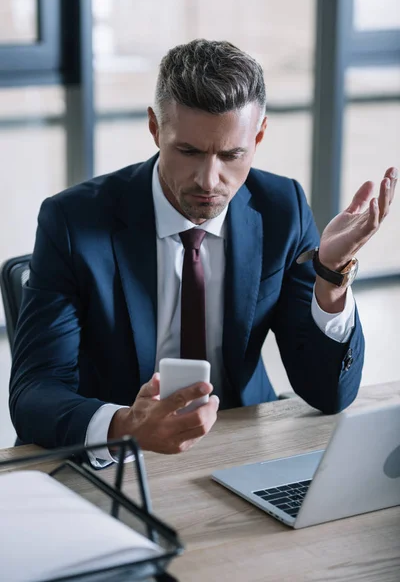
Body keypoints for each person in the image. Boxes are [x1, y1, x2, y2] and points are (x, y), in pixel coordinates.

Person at [9, 40, 397, 467]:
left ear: (260, 134)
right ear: (156, 128)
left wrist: (331, 275)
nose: (209, 180)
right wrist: (125, 427)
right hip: (123, 461)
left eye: (232, 155)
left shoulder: (280, 207)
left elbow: (329, 395)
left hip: (245, 445)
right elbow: (35, 393)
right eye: (188, 151)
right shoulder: (73, 221)